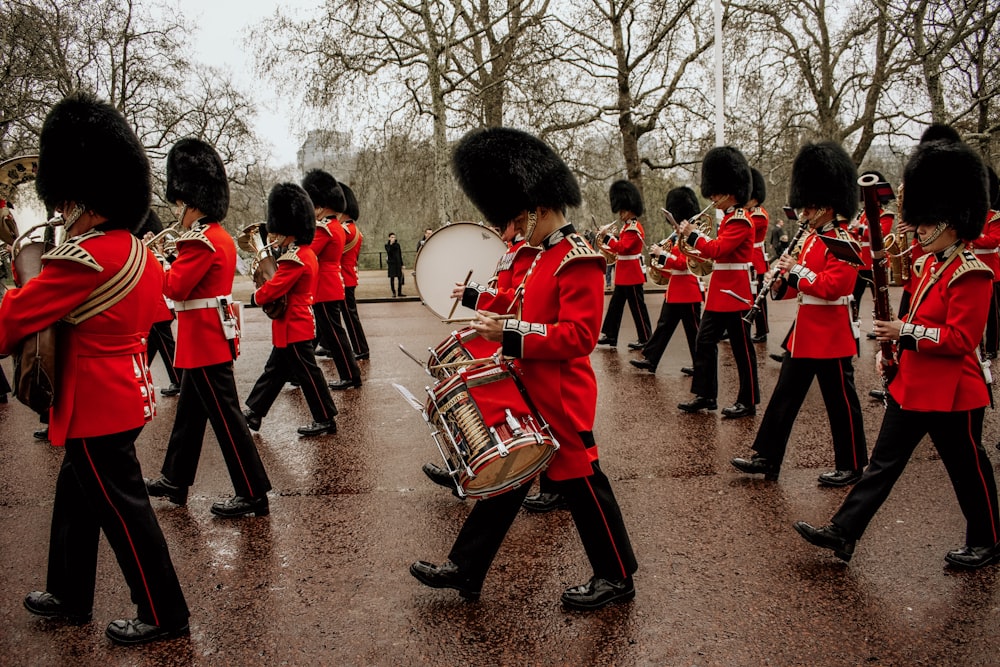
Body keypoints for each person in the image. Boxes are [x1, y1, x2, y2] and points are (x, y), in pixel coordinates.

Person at [410, 127, 637, 609]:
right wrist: (498, 323)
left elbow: (579, 337)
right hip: (526, 384)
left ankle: (617, 576)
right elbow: (520, 308)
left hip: (561, 395)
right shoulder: (538, 257)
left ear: (539, 205)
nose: (511, 232)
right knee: (506, 477)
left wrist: (509, 333)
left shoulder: (578, 260)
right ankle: (467, 569)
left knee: (584, 486)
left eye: (516, 219)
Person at [1, 91, 189, 645]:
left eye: (65, 202)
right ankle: (68, 589)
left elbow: (15, 318)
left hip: (96, 403)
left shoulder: (86, 257)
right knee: (77, 492)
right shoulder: (139, 251)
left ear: (84, 196)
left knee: (124, 512)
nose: (61, 212)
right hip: (128, 391)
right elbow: (155, 314)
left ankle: (163, 611)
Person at [794, 134, 1000, 569]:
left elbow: (962, 340)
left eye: (928, 221)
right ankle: (843, 531)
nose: (920, 228)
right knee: (882, 465)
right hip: (913, 383)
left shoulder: (972, 274)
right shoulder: (928, 263)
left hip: (953, 392)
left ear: (954, 222)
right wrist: (895, 346)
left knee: (968, 472)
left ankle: (988, 539)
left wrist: (903, 332)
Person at [145, 138, 271, 519]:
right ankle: (175, 479)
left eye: (181, 204)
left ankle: (252, 492)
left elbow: (175, 287)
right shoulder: (216, 236)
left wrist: (156, 263)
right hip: (206, 337)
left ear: (192, 201)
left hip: (203, 340)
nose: (179, 211)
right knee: (190, 414)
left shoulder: (200, 241)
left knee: (228, 420)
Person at [731, 141, 868, 487]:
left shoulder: (844, 241)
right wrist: (778, 283)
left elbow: (836, 286)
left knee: (840, 402)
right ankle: (767, 456)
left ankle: (851, 464)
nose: (804, 213)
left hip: (832, 333)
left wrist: (795, 274)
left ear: (827, 205)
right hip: (805, 331)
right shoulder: (810, 239)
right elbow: (799, 285)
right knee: (784, 397)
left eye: (810, 207)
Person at [243, 184, 339, 437]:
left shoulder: (294, 258)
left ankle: (325, 418)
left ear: (290, 228)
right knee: (274, 371)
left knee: (308, 375)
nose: (275, 237)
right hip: (292, 324)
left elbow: (275, 287)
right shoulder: (304, 253)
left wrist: (256, 296)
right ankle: (254, 412)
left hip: (294, 324)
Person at [678, 146, 760, 419]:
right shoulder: (727, 219)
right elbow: (711, 252)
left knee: (742, 350)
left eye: (715, 191)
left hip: (735, 293)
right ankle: (705, 394)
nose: (712, 197)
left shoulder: (741, 221)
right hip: (719, 292)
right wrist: (691, 245)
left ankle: (748, 401)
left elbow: (718, 250)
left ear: (730, 190)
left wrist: (692, 236)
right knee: (704, 341)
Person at [629, 186, 703, 375]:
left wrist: (662, 254)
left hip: (688, 291)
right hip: (676, 290)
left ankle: (701, 366)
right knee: (663, 326)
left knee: (694, 332)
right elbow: (672, 266)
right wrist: (659, 259)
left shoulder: (693, 237)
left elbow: (683, 264)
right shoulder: (678, 237)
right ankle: (651, 359)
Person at [301, 169, 362, 390]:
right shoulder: (334, 226)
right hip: (330, 285)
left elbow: (307, 252)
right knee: (333, 334)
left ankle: (350, 375)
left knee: (335, 336)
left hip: (325, 288)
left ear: (322, 205)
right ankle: (350, 374)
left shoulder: (325, 228)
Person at [597, 180, 652, 349]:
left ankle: (645, 338)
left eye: (622, 211)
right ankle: (611, 335)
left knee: (637, 308)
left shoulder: (634, 227)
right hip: (624, 273)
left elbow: (624, 247)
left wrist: (607, 238)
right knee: (615, 306)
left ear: (630, 210)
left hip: (632, 274)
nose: (620, 214)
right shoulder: (627, 227)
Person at [137, 209, 181, 397]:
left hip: (158, 308)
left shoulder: (153, 251)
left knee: (166, 346)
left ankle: (180, 379)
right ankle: (139, 377)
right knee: (152, 347)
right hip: (157, 306)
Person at [339, 183, 370, 360]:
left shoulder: (346, 230)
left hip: (344, 278)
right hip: (348, 276)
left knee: (350, 318)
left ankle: (361, 348)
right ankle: (327, 345)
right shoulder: (352, 229)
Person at [748, 168, 770, 343]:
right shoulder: (748, 212)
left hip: (756, 260)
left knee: (758, 297)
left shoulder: (759, 215)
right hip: (748, 258)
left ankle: (762, 330)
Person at [386, 232, 405, 297]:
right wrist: (391, 244)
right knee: (392, 279)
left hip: (398, 264)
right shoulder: (387, 245)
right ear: (389, 238)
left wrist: (402, 264)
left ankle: (400, 292)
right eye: (392, 237)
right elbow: (389, 252)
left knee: (400, 278)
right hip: (391, 265)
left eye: (394, 237)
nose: (393, 238)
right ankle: (393, 292)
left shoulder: (398, 245)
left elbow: (400, 254)